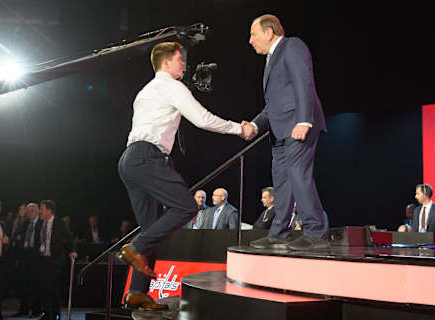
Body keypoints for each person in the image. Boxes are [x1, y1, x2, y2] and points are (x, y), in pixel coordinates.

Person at [117, 41, 249, 310]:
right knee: (187, 206)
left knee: (151, 228)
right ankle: (134, 247)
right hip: (147, 157)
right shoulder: (171, 87)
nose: (184, 64)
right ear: (167, 62)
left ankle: (136, 293)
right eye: (180, 59)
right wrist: (238, 128)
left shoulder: (146, 90)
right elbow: (202, 119)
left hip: (129, 160)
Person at [242, 14, 328, 250]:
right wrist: (255, 125)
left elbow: (304, 82)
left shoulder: (292, 46)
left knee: (299, 176)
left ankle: (316, 232)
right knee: (281, 183)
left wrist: (304, 121)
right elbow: (274, 105)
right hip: (280, 132)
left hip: (298, 126)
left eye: (253, 34)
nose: (250, 40)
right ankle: (279, 233)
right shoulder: (271, 59)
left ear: (269, 33)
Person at [35, 200, 77, 320]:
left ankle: (55, 313)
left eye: (42, 208)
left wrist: (72, 251)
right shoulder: (40, 223)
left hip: (55, 260)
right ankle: (46, 312)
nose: (40, 211)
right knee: (44, 286)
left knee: (53, 287)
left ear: (49, 210)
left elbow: (69, 238)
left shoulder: (60, 223)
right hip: (42, 259)